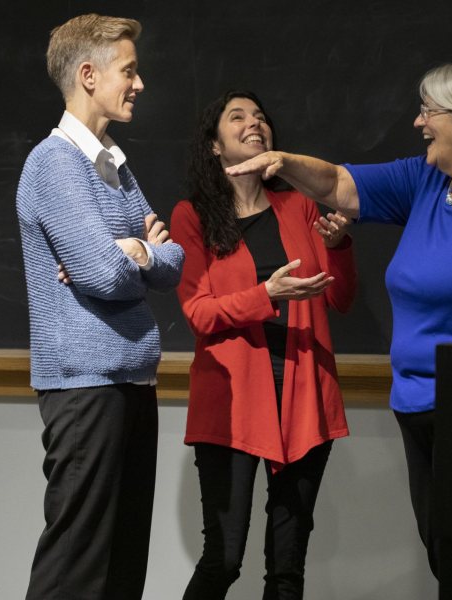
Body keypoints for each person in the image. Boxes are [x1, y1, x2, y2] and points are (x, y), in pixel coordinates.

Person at [226, 60, 452, 578]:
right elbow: (338, 184)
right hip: (416, 406)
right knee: (444, 555)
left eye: (429, 111)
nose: (419, 122)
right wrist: (281, 160)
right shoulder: (427, 182)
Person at [15, 14, 184, 600]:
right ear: (88, 75)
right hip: (85, 385)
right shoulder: (53, 163)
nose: (139, 84)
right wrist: (138, 250)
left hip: (132, 378)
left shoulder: (113, 162)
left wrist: (132, 252)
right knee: (76, 568)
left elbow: (174, 260)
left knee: (121, 566)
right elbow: (101, 272)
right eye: (129, 71)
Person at [169, 90, 357, 599]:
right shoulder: (193, 217)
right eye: (238, 117)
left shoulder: (298, 206)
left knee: (287, 571)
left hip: (303, 400)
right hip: (231, 405)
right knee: (223, 560)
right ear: (214, 145)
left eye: (260, 117)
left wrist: (338, 248)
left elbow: (340, 298)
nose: (254, 123)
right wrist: (265, 295)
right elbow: (199, 313)